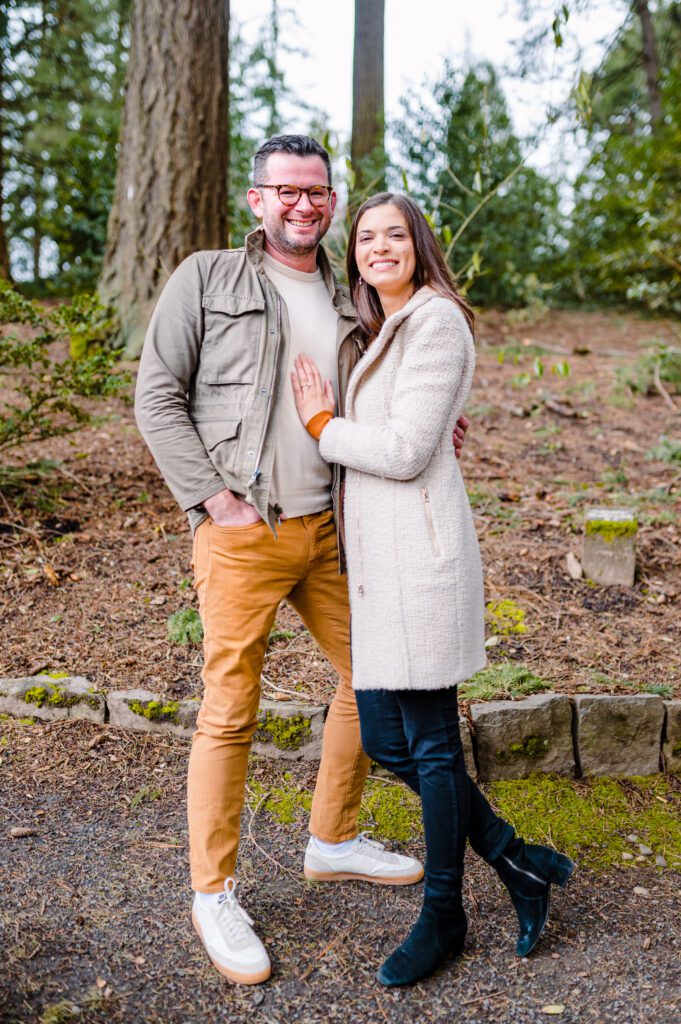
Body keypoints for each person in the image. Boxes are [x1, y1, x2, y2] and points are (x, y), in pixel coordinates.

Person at [135, 135, 470, 986]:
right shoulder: (206, 278)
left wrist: (436, 431)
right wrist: (216, 500)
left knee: (370, 682)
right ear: (255, 199)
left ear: (330, 200)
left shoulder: (351, 292)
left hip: (337, 530)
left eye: (317, 191)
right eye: (285, 190)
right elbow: (156, 396)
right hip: (245, 531)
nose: (302, 204)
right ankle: (212, 892)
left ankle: (331, 837)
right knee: (229, 708)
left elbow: (387, 395)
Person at [291, 192, 574, 988]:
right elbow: (412, 428)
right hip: (378, 566)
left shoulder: (436, 319)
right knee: (387, 739)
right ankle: (515, 859)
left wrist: (320, 424)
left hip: (417, 561)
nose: (378, 247)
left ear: (418, 244)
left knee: (430, 745)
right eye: (365, 238)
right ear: (353, 255)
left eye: (394, 235)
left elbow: (409, 449)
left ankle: (445, 915)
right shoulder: (382, 328)